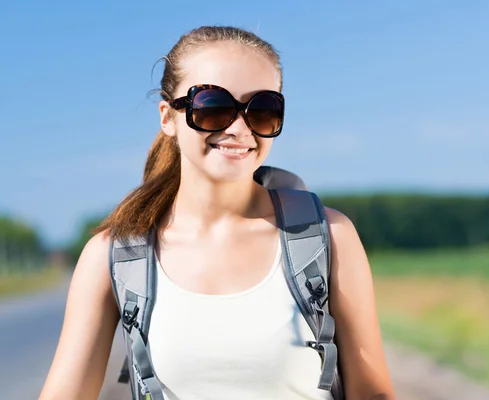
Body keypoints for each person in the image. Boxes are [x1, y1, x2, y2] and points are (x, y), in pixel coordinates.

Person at [38, 25, 395, 400]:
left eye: (262, 109)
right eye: (213, 107)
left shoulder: (328, 237)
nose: (240, 128)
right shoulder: (113, 254)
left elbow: (373, 394)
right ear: (167, 117)